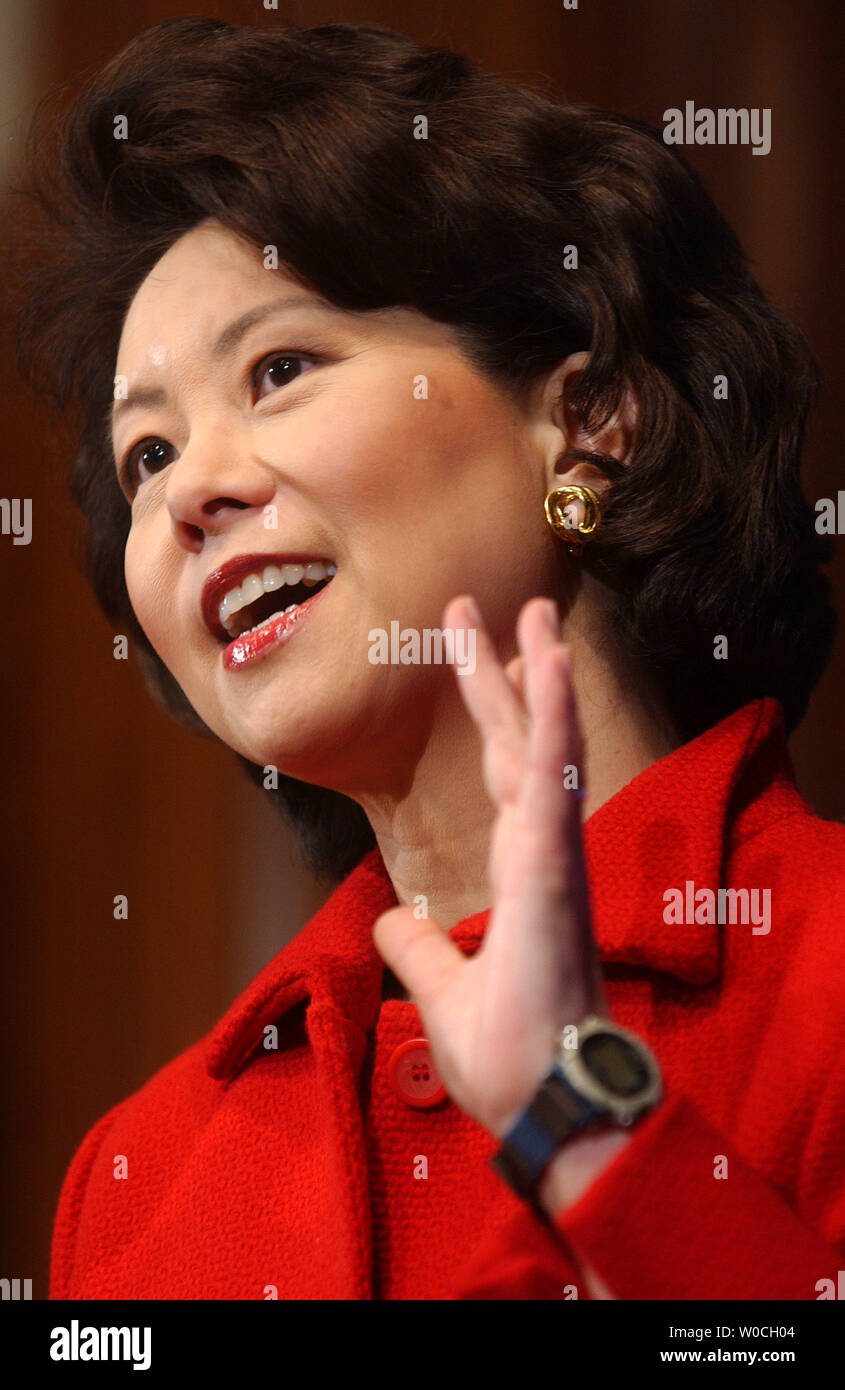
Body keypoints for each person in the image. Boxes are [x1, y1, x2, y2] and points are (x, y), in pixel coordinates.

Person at [12, 17, 844, 1300]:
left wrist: (587, 1122)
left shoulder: (823, 970)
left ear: (584, 425)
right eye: (148, 456)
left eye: (279, 368)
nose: (185, 497)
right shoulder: (143, 1174)